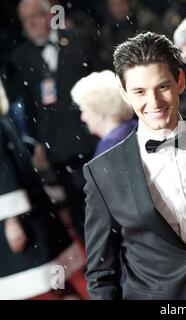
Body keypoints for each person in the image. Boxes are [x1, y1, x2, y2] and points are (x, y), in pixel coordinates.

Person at [83, 31, 186, 300]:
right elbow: (101, 275)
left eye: (162, 87)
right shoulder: (103, 172)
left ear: (180, 81)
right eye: (139, 91)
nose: (154, 102)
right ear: (124, 93)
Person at [4, 0, 102, 240]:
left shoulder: (78, 39)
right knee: (78, 208)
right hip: (56, 147)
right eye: (25, 19)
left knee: (106, 196)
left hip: (93, 137)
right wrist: (35, 141)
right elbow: (26, 106)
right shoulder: (21, 57)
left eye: (35, 15)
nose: (31, 23)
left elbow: (102, 78)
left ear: (49, 15)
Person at [0, 81, 85, 300]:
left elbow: (5, 170)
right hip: (30, 209)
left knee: (51, 278)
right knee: (55, 276)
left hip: (20, 216)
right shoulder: (4, 120)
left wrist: (11, 218)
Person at [71, 70, 137, 157]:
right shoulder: (139, 129)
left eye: (84, 110)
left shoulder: (110, 146)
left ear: (100, 112)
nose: (83, 117)